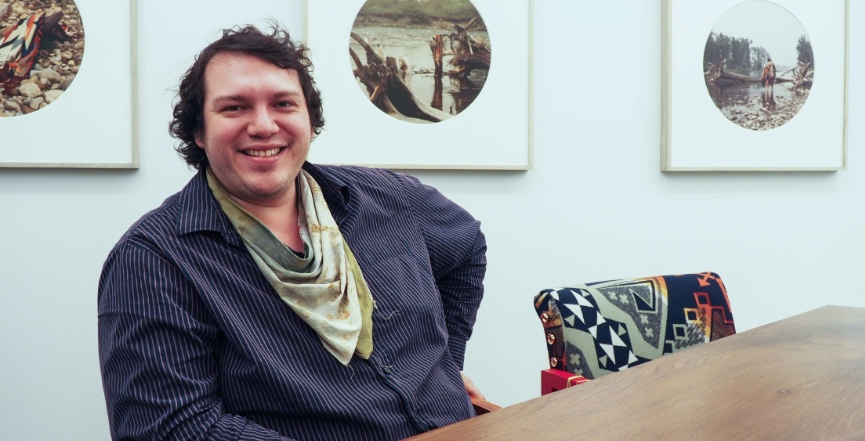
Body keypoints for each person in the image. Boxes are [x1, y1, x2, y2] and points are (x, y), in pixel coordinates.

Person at [98, 22, 487, 441]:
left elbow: (466, 247)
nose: (264, 126)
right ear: (198, 131)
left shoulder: (388, 197)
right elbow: (172, 429)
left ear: (309, 119)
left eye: (283, 104)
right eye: (234, 108)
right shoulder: (153, 260)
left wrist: (444, 362)